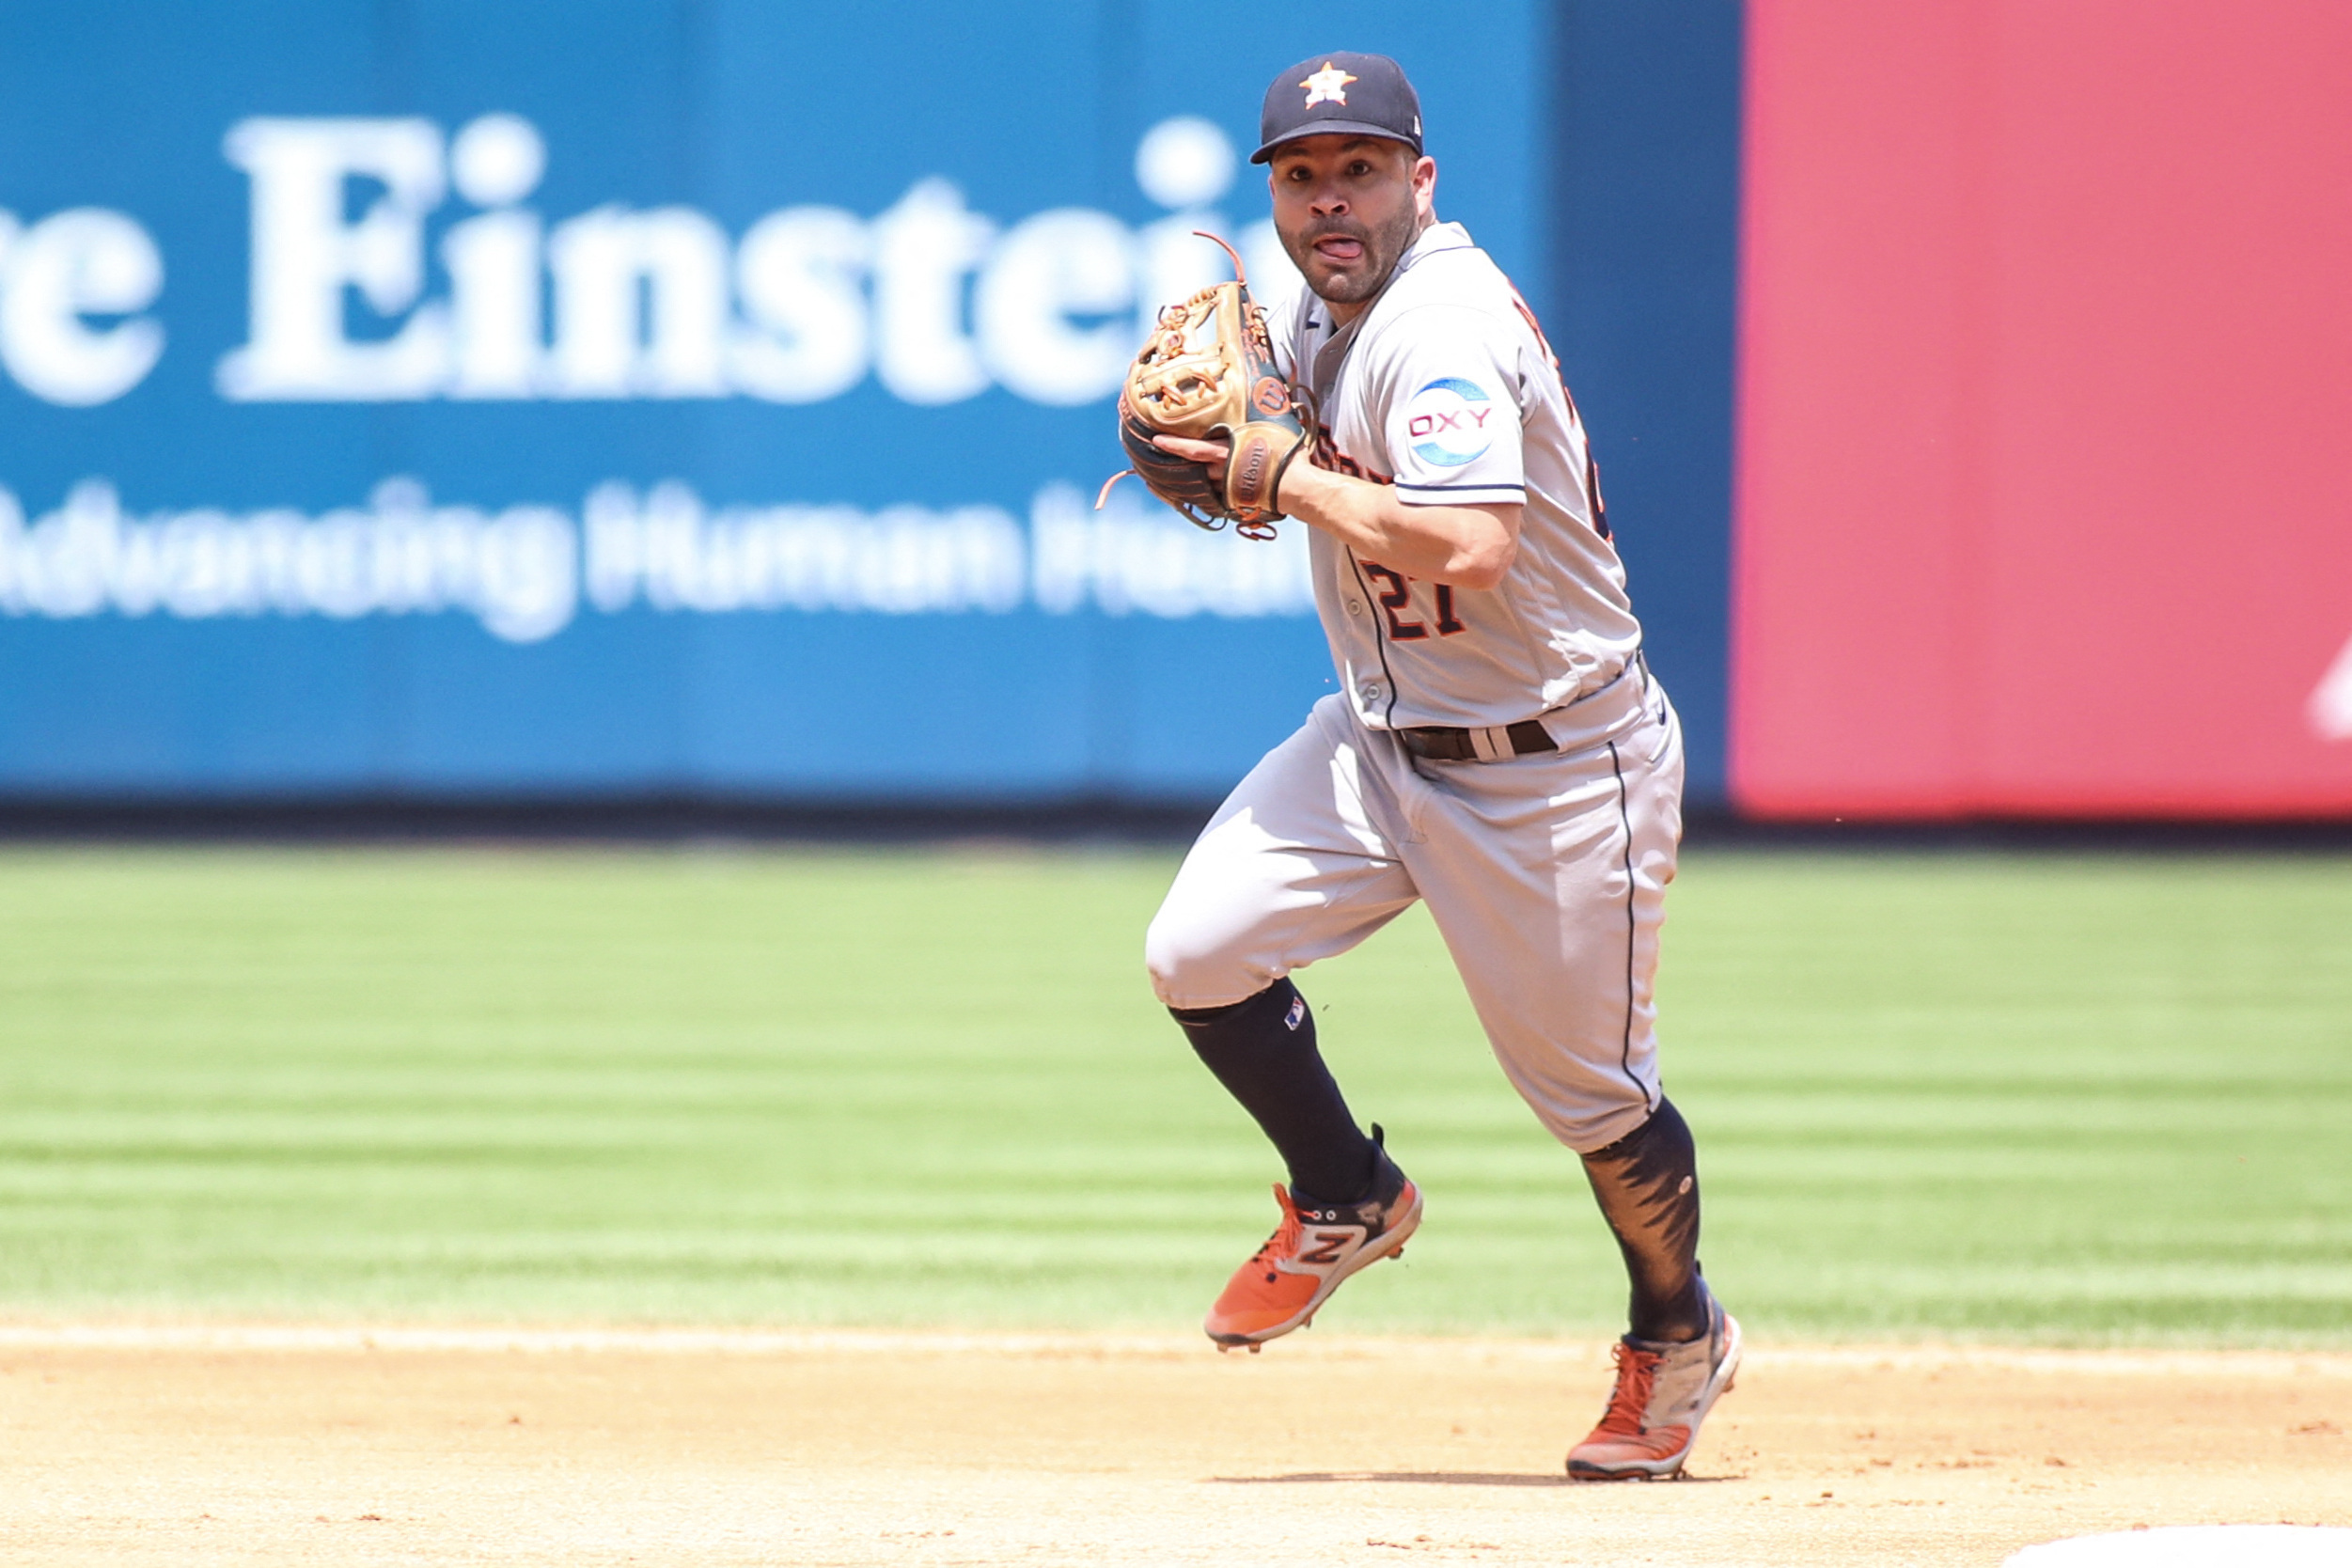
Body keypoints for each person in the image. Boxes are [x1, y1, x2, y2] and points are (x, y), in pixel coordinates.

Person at [1140, 51, 1740, 1481]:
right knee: (1198, 950)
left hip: (1549, 765)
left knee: (1594, 1105)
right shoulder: (1322, 306)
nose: (1326, 202)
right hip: (1375, 737)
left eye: (1356, 170)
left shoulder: (1439, 329)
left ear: (1421, 178)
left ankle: (1676, 1332)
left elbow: (1470, 544)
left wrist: (1277, 474)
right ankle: (1345, 1194)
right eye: (1298, 176)